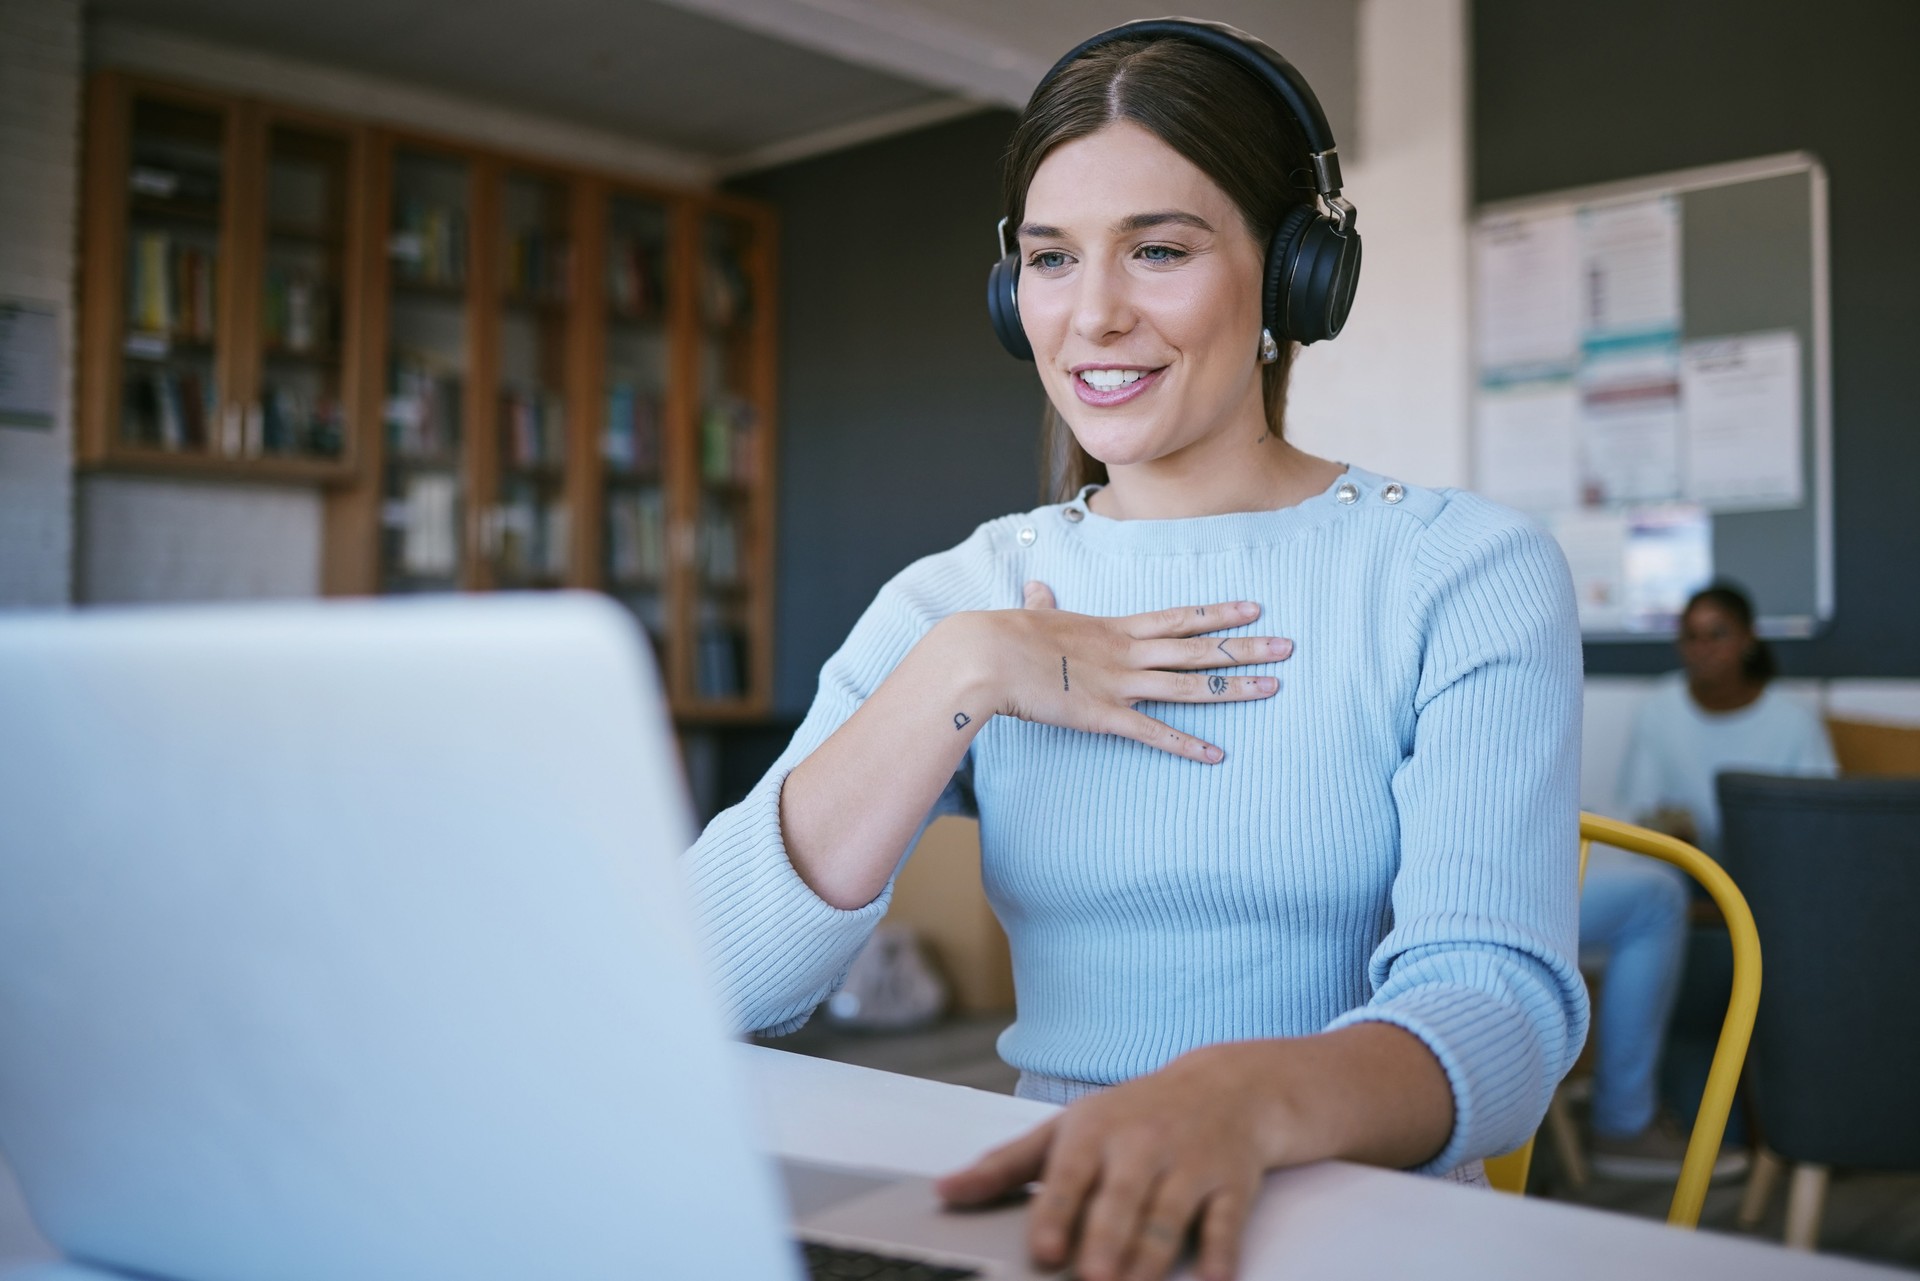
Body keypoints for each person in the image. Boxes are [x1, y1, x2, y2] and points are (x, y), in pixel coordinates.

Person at [684, 21, 1588, 1281]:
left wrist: (1247, 1101)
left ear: (1292, 279)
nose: (1094, 315)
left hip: (1363, 1229)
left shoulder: (1464, 573)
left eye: (1159, 250)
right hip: (1055, 1215)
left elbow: (1502, 1010)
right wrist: (961, 671)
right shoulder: (965, 597)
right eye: (1053, 259)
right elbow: (708, 985)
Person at [1581, 582, 1837, 1179]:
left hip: (1771, 889)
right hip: (1685, 887)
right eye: (1690, 637)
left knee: (1687, 929)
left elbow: (1821, 831)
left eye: (1716, 635)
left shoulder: (1792, 720)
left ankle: (1681, 1124)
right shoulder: (1661, 707)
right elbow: (1643, 815)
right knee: (1668, 913)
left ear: (1747, 641)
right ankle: (1660, 1125)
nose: (1702, 650)